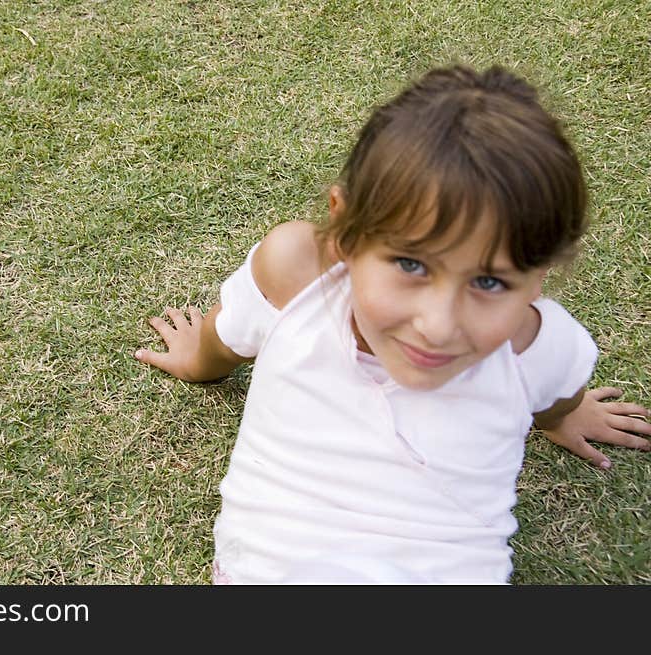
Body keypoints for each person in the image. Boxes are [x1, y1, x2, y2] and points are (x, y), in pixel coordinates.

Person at [133, 64, 651, 583]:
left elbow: (555, 397)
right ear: (344, 228)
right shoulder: (296, 273)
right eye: (411, 265)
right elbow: (222, 342)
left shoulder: (540, 346)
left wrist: (565, 416)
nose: (438, 325)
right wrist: (196, 361)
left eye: (489, 283)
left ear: (537, 278)